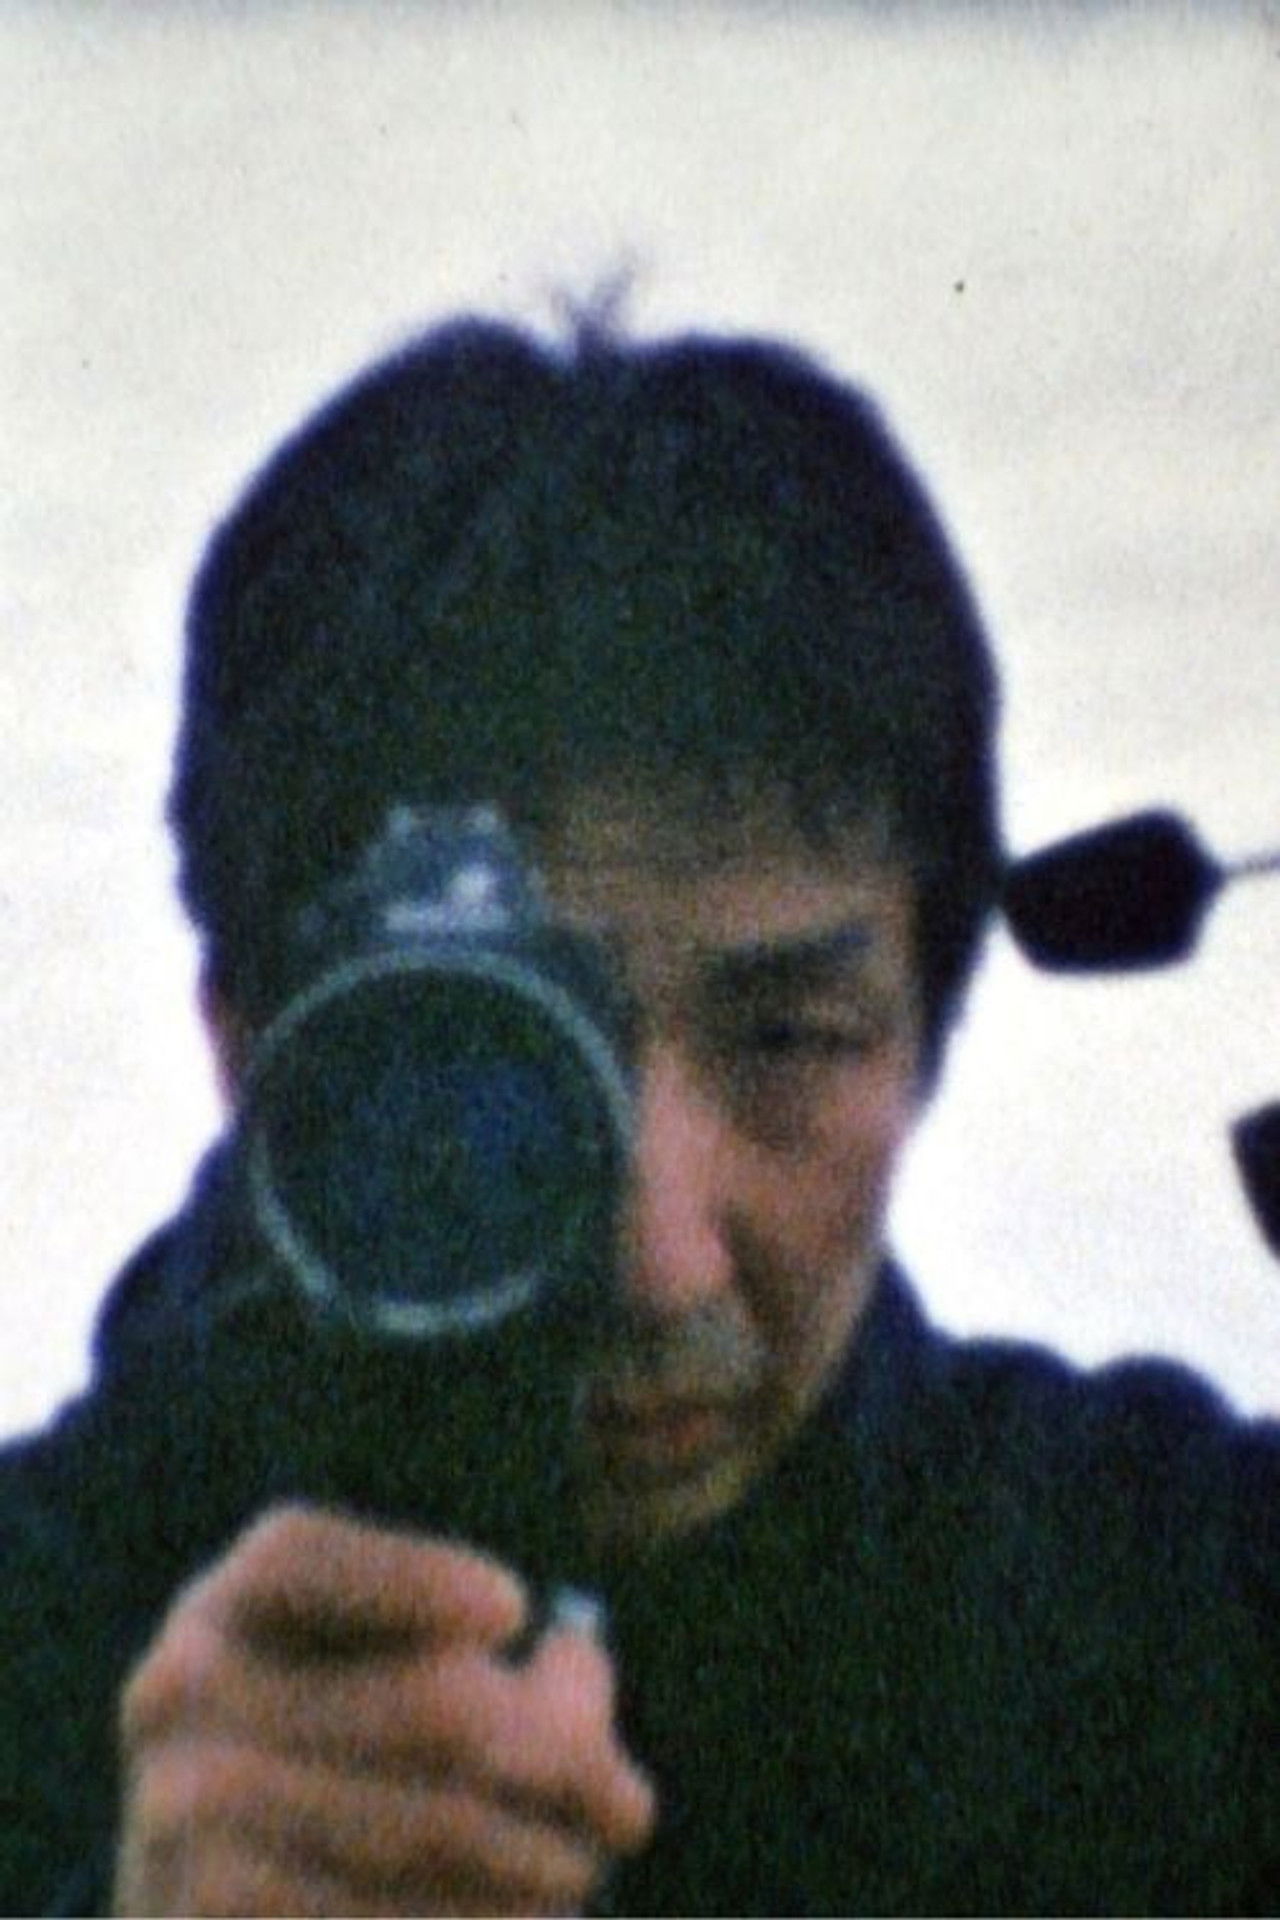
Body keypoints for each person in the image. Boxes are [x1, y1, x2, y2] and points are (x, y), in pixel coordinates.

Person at [2, 313, 1277, 1918]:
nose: (658, 1259)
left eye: (789, 1041)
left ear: (926, 1033)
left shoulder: (1184, 1632)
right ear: (251, 1050)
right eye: (496, 1068)